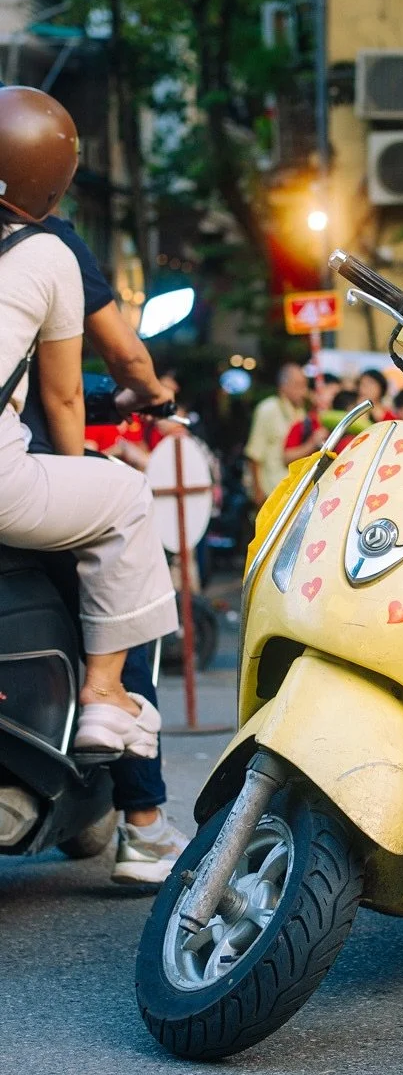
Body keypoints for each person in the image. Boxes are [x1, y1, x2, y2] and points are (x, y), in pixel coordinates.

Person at [0, 88, 177, 767]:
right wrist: (79, 478)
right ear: (56, 179)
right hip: (10, 482)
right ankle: (104, 695)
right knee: (123, 500)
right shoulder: (51, 255)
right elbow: (67, 396)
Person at [245, 363, 309, 505]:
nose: (304, 392)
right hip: (269, 492)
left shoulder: (301, 413)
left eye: (305, 385)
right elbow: (254, 454)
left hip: (292, 492)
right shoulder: (267, 409)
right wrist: (258, 492)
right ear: (284, 386)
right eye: (298, 385)